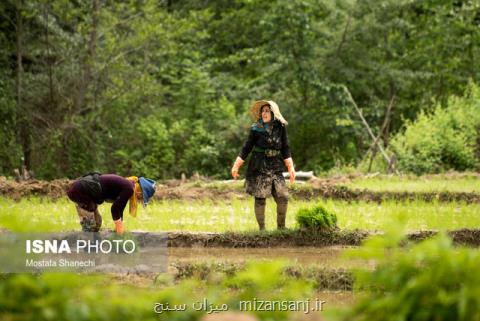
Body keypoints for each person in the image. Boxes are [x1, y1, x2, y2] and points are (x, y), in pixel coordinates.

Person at [231, 100, 295, 230]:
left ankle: (281, 228)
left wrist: (290, 167)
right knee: (260, 198)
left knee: (283, 197)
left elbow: (285, 147)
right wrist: (236, 165)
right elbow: (246, 147)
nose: (264, 113)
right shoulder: (256, 128)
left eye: (267, 111)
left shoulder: (280, 127)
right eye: (263, 111)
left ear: (273, 113)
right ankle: (262, 230)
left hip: (276, 165)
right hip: (259, 165)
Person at [66, 173, 156, 234]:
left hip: (89, 195)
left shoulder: (129, 185)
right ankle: (88, 255)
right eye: (141, 198)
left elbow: (120, 209)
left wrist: (119, 227)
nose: (139, 200)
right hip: (80, 191)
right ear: (140, 192)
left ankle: (94, 251)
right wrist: (119, 228)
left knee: (98, 223)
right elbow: (115, 209)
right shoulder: (129, 188)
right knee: (90, 226)